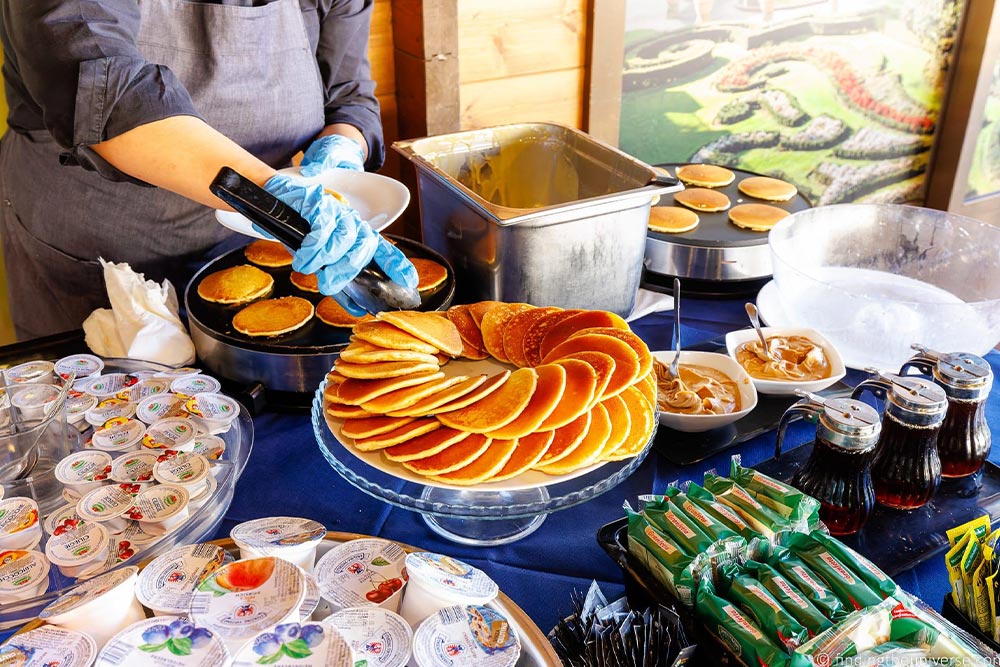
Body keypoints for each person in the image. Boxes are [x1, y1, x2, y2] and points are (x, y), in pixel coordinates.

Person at [0, 0, 416, 341]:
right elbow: (103, 90)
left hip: (256, 245)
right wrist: (268, 197)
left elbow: (349, 95)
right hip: (100, 241)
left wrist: (346, 143)